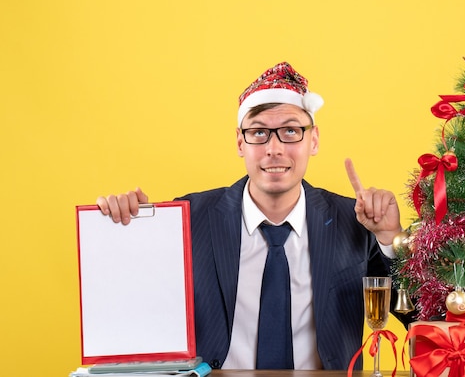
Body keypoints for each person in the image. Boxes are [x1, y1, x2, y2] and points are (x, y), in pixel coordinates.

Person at [96, 62, 404, 370]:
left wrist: (390, 240)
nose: (274, 149)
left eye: (290, 131)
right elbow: (138, 310)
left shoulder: (353, 221)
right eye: (258, 132)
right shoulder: (190, 219)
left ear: (314, 140)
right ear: (240, 142)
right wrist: (126, 229)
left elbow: (418, 314)